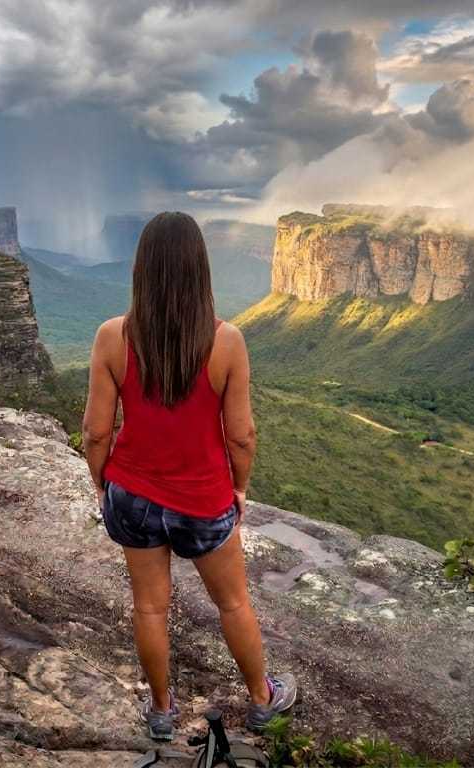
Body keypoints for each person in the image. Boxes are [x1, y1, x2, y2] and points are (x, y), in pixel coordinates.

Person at [82, 211, 297, 742]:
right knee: (232, 603)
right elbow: (241, 435)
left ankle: (160, 711)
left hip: (131, 494)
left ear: (141, 270)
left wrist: (103, 484)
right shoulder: (227, 342)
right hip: (203, 502)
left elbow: (94, 431)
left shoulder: (113, 337)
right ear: (201, 269)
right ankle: (262, 700)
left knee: (149, 606)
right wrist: (239, 488)